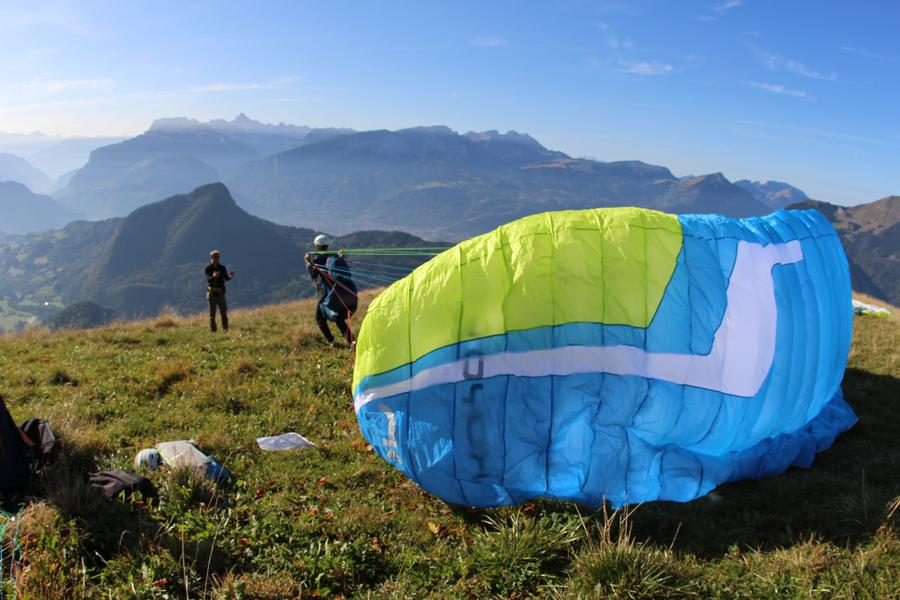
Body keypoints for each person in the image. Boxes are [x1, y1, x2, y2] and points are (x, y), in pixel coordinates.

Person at [305, 234, 354, 346]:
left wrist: (308, 263)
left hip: (325, 294)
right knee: (339, 319)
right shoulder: (334, 256)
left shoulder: (316, 259)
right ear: (327, 245)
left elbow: (313, 275)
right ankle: (352, 341)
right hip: (338, 292)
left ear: (316, 246)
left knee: (320, 319)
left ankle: (332, 341)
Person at [205, 250, 235, 332]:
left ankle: (226, 329)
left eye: (218, 257)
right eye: (215, 257)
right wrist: (213, 276)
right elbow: (208, 280)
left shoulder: (222, 268)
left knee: (224, 312)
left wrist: (230, 276)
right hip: (212, 293)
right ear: (211, 257)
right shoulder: (208, 269)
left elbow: (226, 279)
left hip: (221, 293)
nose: (217, 258)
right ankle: (213, 331)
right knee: (212, 314)